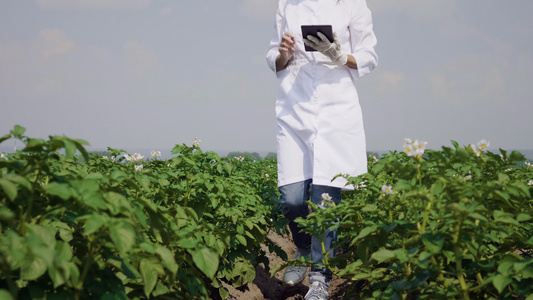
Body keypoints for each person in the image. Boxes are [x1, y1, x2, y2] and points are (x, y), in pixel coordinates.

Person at [266, 0, 378, 299]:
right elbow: (274, 56)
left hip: (336, 108)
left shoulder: (352, 5)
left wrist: (340, 55)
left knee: (326, 201)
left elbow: (369, 56)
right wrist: (284, 53)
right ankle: (302, 247)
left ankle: (319, 279)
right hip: (294, 106)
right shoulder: (288, 4)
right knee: (291, 198)